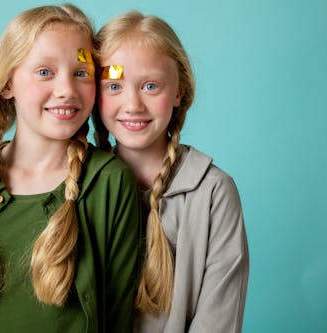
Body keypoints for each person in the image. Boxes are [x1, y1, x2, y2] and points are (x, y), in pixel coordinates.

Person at [0, 5, 141, 333]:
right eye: (45, 72)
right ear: (7, 84)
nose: (66, 89)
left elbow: (117, 320)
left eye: (81, 72)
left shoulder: (109, 184)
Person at [92, 11, 249, 333]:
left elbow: (217, 321)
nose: (133, 104)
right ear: (94, 94)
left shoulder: (213, 193)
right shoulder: (77, 184)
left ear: (179, 92)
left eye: (151, 86)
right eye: (114, 86)